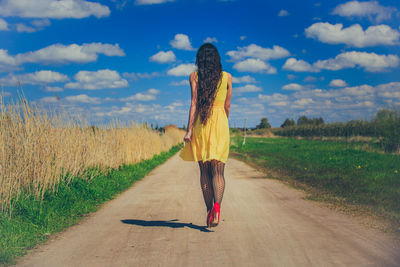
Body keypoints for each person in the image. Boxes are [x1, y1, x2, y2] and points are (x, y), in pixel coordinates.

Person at [179, 43, 232, 228]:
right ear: (217, 59)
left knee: (205, 171)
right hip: (220, 124)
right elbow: (227, 106)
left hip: (202, 123)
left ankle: (210, 210)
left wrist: (189, 131)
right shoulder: (227, 77)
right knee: (218, 171)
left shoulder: (194, 76)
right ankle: (217, 207)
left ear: (199, 59)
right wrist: (223, 124)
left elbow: (194, 104)